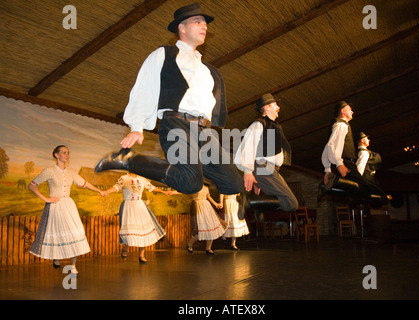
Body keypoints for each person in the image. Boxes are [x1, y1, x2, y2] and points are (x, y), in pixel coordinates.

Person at [94, 3, 244, 204]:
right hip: (177, 124)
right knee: (191, 183)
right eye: (197, 22)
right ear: (181, 28)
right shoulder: (165, 55)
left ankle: (192, 169)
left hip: (205, 132)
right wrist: (137, 126)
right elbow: (145, 88)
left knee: (233, 184)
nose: (204, 26)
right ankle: (129, 160)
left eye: (205, 23)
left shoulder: (207, 70)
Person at [28, 145, 105, 274]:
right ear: (56, 155)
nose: (66, 155)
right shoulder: (49, 171)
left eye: (68, 153)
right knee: (58, 232)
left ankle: (73, 266)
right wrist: (46, 199)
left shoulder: (71, 173)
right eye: (64, 152)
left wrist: (99, 191)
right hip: (55, 206)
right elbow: (32, 186)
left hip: (69, 206)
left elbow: (85, 184)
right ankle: (57, 258)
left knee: (75, 232)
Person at [234, 93, 299, 213]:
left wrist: (258, 180)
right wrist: (248, 171)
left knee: (289, 202)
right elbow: (248, 146)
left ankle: (259, 206)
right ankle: (248, 201)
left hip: (267, 169)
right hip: (263, 167)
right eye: (275, 105)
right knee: (291, 203)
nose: (278, 107)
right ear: (267, 107)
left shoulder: (271, 125)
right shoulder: (259, 124)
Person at [321, 101, 388, 202]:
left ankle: (331, 185)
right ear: (343, 111)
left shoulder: (339, 125)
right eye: (349, 109)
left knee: (357, 187)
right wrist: (339, 164)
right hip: (345, 162)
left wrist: (327, 170)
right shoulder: (341, 125)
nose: (352, 112)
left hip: (342, 163)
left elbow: (328, 147)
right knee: (367, 188)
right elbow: (331, 146)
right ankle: (332, 184)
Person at [103, 173, 178, 263]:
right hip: (129, 206)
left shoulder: (142, 179)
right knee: (129, 230)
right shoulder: (124, 178)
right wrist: (106, 191)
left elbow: (151, 187)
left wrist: (164, 192)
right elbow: (116, 187)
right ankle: (125, 247)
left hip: (139, 205)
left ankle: (141, 255)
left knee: (143, 231)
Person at [187, 184, 227, 255]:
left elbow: (208, 196)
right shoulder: (194, 185)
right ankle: (189, 244)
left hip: (206, 207)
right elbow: (184, 190)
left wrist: (216, 204)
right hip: (198, 206)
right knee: (200, 229)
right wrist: (172, 192)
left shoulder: (206, 187)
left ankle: (208, 248)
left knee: (211, 227)